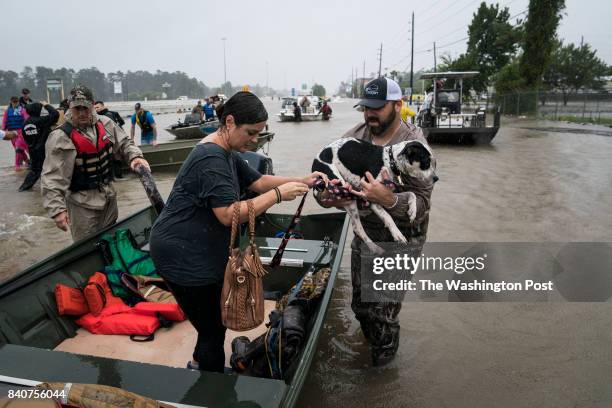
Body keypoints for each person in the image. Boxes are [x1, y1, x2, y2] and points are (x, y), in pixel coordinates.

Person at [149, 91, 326, 373]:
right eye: (251, 133)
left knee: (211, 321)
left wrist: (301, 179)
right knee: (213, 331)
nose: (255, 140)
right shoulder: (210, 157)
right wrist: (279, 195)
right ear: (229, 122)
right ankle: (212, 385)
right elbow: (228, 214)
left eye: (259, 133)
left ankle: (196, 365)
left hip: (199, 246)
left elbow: (259, 181)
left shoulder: (227, 151)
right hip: (181, 254)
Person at [314, 77, 435, 366]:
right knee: (361, 307)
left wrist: (388, 199)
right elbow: (325, 183)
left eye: (378, 107)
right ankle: (376, 348)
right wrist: (326, 196)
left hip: (404, 236)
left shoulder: (415, 145)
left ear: (398, 105)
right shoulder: (355, 135)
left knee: (382, 313)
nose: (370, 113)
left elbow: (424, 204)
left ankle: (382, 371)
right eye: (366, 107)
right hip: (366, 232)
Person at [41, 85, 150, 241]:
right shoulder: (60, 136)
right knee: (88, 249)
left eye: (85, 108)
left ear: (92, 105)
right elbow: (52, 177)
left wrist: (135, 157)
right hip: (82, 206)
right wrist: (57, 210)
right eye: (77, 108)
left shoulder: (106, 123)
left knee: (112, 243)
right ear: (70, 107)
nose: (82, 113)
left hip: (109, 199)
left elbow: (125, 143)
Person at [19, 101, 60, 191]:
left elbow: (26, 139)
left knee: (35, 170)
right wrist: (47, 105)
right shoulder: (41, 120)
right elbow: (55, 114)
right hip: (43, 150)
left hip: (32, 150)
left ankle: (24, 189)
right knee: (46, 170)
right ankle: (49, 189)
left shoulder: (25, 123)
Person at [2, 96, 29, 170]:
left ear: (18, 102)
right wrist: (3, 131)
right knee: (20, 149)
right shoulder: (7, 111)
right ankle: (27, 161)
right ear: (11, 102)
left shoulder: (23, 110)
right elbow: (4, 121)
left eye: (16, 102)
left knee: (18, 148)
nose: (15, 103)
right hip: (11, 133)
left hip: (20, 132)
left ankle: (17, 165)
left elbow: (27, 119)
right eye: (13, 102)